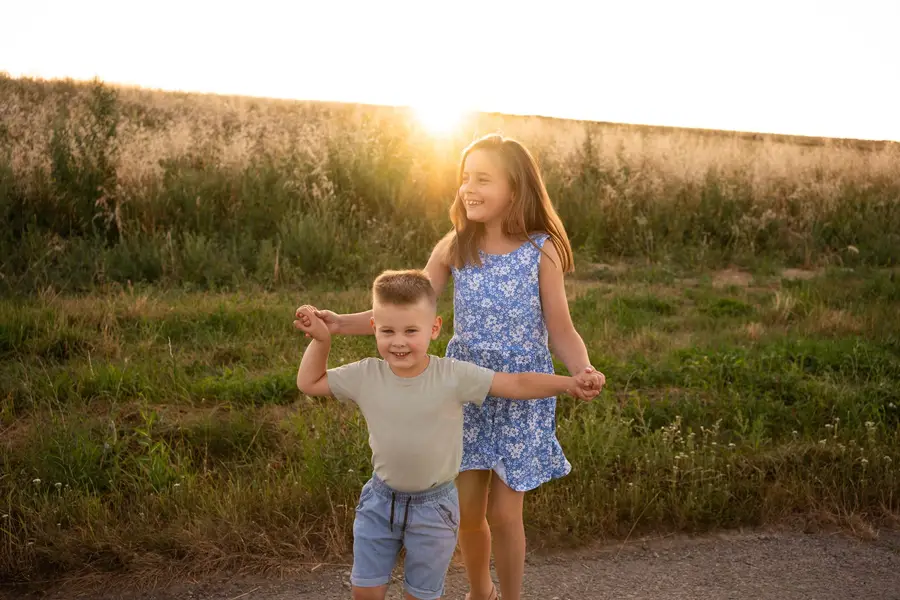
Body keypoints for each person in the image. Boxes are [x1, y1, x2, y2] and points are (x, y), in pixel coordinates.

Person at [305, 134, 607, 600]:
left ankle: (509, 597)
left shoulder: (540, 249)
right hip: (463, 388)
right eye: (465, 178)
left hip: (520, 388)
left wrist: (582, 369)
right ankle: (480, 592)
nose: (469, 188)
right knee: (468, 512)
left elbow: (562, 329)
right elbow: (408, 312)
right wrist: (338, 324)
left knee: (506, 514)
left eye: (483, 179)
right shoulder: (456, 244)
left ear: (516, 187)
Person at [293, 269, 599, 600]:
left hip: (434, 509)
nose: (399, 341)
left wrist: (569, 383)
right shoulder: (366, 374)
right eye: (388, 331)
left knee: (420, 596)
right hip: (379, 503)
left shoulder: (451, 376)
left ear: (434, 328)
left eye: (411, 330)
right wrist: (323, 340)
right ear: (374, 329)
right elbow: (310, 382)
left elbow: (515, 384)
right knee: (364, 591)